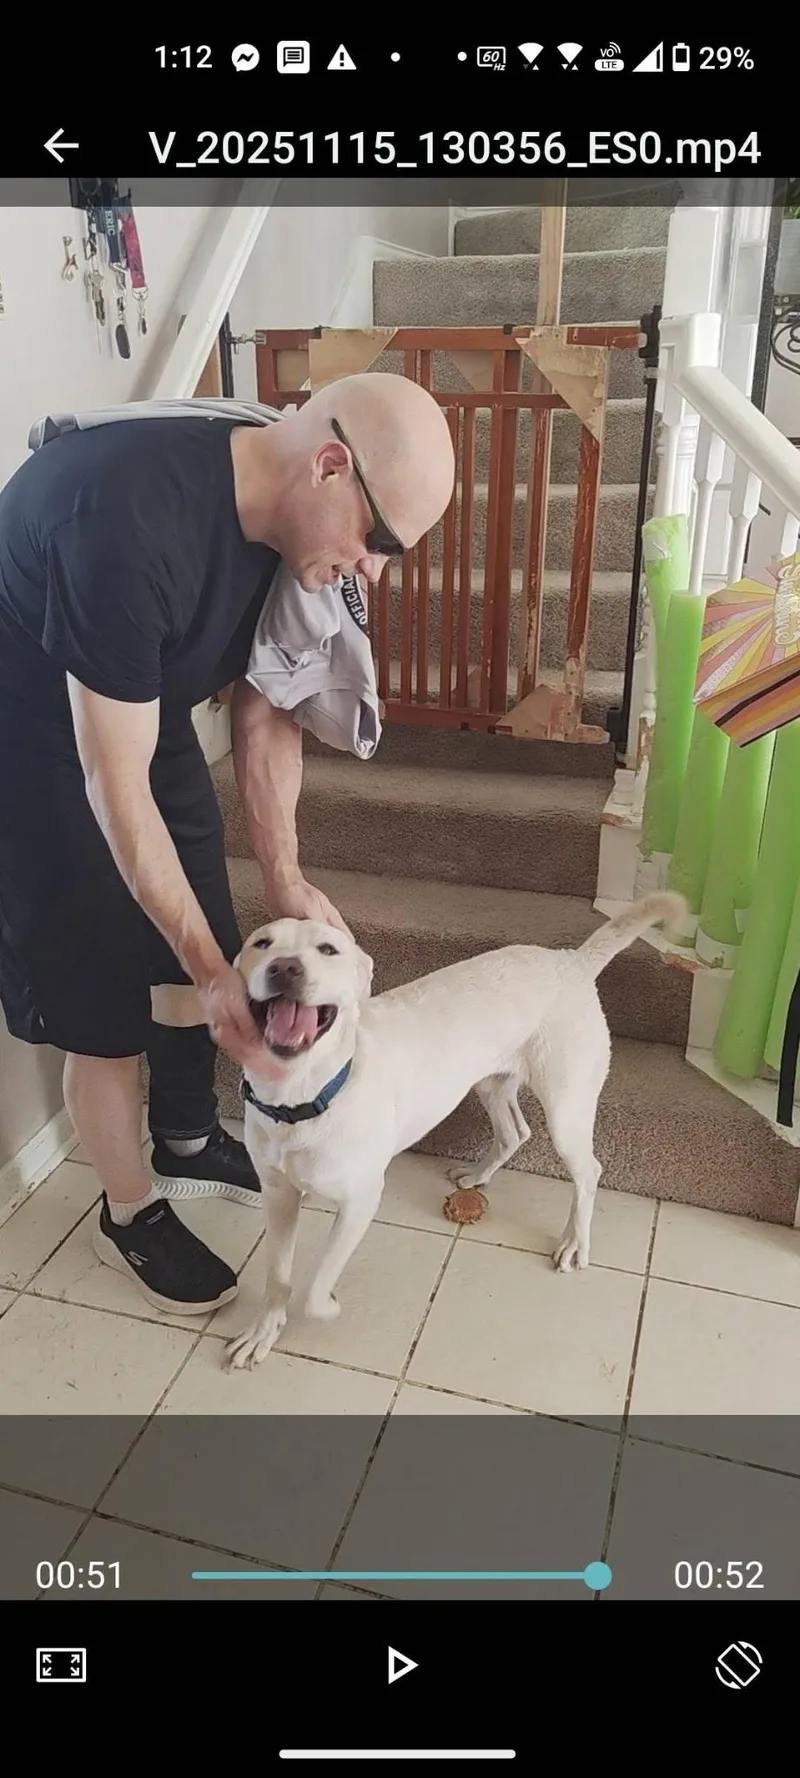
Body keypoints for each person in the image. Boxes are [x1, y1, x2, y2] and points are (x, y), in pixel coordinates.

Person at [0, 372, 456, 1316]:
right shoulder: (124, 524)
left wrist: (284, 874)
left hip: (138, 700)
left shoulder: (291, 529)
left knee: (204, 917)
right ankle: (129, 1212)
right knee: (103, 989)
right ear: (332, 465)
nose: (373, 571)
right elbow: (111, 787)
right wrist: (214, 980)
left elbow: (267, 707)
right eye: (378, 544)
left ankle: (183, 1132)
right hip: (33, 730)